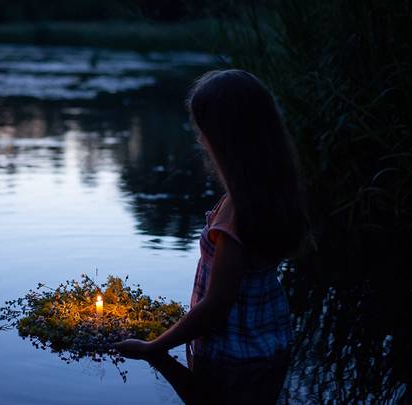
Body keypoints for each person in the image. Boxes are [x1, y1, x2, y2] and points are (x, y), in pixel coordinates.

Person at [114, 69, 308, 404]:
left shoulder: (236, 212)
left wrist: (153, 348)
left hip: (233, 353)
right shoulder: (275, 189)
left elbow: (217, 305)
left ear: (221, 137)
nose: (199, 138)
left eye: (202, 128)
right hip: (270, 338)